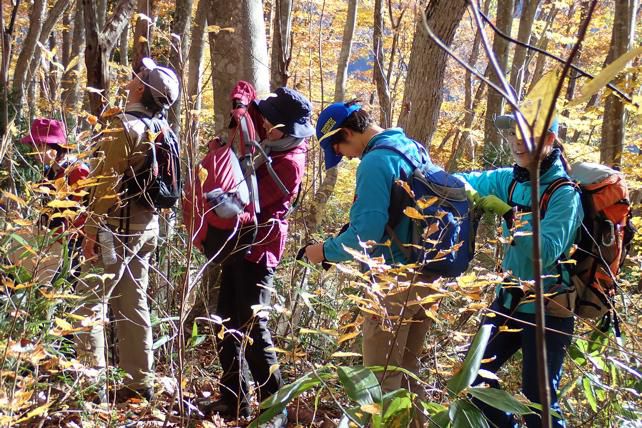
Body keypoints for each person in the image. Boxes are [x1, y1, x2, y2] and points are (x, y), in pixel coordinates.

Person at [305, 101, 441, 424]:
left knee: (382, 380)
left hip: (392, 284)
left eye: (341, 148)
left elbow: (365, 234)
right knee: (408, 371)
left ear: (349, 133)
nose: (347, 157)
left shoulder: (375, 163)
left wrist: (322, 251)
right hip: (427, 277)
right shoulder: (411, 147)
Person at [457, 114, 583, 427]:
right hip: (509, 300)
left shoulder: (564, 193)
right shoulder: (510, 179)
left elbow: (547, 250)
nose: (516, 141)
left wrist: (508, 214)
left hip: (549, 309)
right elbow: (457, 179)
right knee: (472, 377)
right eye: (513, 133)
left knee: (540, 404)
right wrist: (465, 190)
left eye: (526, 134)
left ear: (550, 140)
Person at [204, 87, 313, 426]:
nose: (261, 121)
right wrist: (241, 109)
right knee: (226, 322)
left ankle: (275, 405)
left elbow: (251, 200)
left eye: (267, 118)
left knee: (253, 328)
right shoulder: (274, 145)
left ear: (279, 128)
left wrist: (222, 174)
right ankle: (233, 399)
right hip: (240, 245)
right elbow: (248, 126)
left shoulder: (289, 160)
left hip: (260, 249)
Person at [74, 57, 179, 402]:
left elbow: (104, 185)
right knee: (133, 303)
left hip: (114, 231)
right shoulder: (163, 130)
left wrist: (90, 229)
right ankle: (138, 384)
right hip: (147, 229)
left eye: (138, 75)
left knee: (88, 306)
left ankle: (90, 389)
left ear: (139, 88)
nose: (133, 76)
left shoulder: (123, 127)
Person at [13, 118, 89, 282]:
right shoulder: (50, 172)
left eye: (40, 145)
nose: (35, 151)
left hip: (70, 247)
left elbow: (85, 213)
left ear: (56, 147)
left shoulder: (76, 170)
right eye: (33, 146)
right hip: (49, 244)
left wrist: (61, 236)